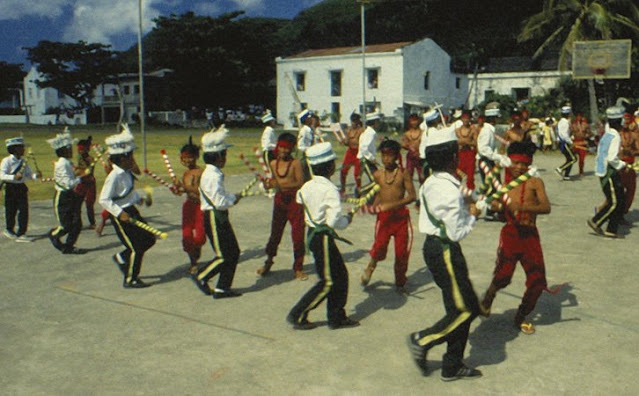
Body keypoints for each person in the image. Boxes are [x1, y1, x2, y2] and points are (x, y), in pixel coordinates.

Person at [406, 126, 483, 381]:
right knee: (465, 309)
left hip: (438, 248)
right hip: (444, 249)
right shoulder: (446, 189)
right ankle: (422, 339)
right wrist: (474, 214)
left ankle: (452, 365)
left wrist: (470, 202)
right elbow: (457, 231)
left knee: (459, 305)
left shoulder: (433, 181)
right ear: (453, 157)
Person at [481, 141, 551, 335]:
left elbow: (546, 207)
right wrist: (495, 207)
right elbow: (497, 208)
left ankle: (521, 315)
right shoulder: (503, 186)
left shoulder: (535, 182)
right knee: (503, 275)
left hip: (530, 236)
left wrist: (523, 208)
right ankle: (490, 294)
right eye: (516, 163)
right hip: (511, 234)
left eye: (524, 164)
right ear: (509, 163)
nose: (519, 167)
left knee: (538, 280)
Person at [287, 142, 358, 330]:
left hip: (313, 234)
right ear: (330, 167)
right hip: (323, 237)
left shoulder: (307, 186)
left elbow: (299, 199)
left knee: (340, 275)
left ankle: (336, 317)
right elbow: (335, 222)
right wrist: (348, 219)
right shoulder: (330, 190)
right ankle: (298, 314)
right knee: (329, 281)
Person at [99, 124, 156, 288]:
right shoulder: (114, 176)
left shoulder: (126, 173)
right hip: (121, 215)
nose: (133, 160)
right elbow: (104, 199)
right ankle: (130, 278)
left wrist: (141, 200)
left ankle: (122, 258)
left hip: (132, 210)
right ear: (122, 158)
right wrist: (119, 213)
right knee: (136, 247)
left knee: (148, 239)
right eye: (130, 156)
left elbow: (127, 193)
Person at [193, 125, 243, 299]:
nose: (226, 158)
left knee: (233, 252)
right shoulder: (213, 175)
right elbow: (219, 202)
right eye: (225, 154)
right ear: (218, 156)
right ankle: (201, 275)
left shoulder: (213, 173)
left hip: (218, 215)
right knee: (223, 255)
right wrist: (233, 199)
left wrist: (230, 197)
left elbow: (218, 196)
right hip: (214, 216)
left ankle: (223, 287)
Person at [360, 139, 416, 293]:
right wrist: (373, 207)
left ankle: (400, 282)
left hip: (401, 219)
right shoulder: (378, 174)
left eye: (389, 156)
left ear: (397, 156)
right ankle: (370, 267)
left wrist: (392, 205)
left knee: (401, 252)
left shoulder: (403, 174)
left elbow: (412, 196)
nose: (386, 159)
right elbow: (378, 195)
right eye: (383, 155)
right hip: (384, 218)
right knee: (379, 246)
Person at [258, 132, 306, 280]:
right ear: (278, 147)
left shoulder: (296, 163)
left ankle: (298, 267)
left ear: (292, 149)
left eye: (288, 148)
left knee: (298, 236)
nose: (284, 151)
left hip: (294, 202)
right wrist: (267, 186)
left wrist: (280, 184)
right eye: (282, 148)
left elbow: (300, 183)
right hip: (279, 202)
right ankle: (268, 261)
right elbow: (271, 182)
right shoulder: (273, 164)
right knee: (275, 234)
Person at [587, 106, 627, 238]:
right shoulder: (614, 136)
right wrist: (623, 165)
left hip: (603, 169)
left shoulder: (607, 133)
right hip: (609, 171)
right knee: (614, 202)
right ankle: (596, 221)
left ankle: (612, 229)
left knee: (619, 199)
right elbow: (612, 158)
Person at [47, 129, 86, 254]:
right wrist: (81, 177)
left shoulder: (67, 163)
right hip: (63, 197)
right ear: (63, 150)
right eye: (69, 148)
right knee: (66, 225)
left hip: (70, 195)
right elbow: (68, 184)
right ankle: (53, 235)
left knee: (77, 223)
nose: (72, 150)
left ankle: (69, 246)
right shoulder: (62, 164)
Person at [1, 137, 41, 241]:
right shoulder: (7, 161)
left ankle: (22, 232)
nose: (23, 149)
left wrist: (36, 176)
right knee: (11, 210)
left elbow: (28, 174)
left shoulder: (23, 161)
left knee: (23, 210)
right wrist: (13, 177)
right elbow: (1, 175)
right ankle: (9, 229)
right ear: (14, 149)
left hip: (21, 187)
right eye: (21, 147)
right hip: (10, 187)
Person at [176, 136, 205, 275]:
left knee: (199, 237)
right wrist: (177, 189)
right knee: (187, 236)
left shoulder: (202, 172)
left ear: (196, 157)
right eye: (184, 158)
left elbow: (201, 192)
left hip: (200, 207)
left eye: (190, 157)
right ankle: (193, 262)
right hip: (188, 206)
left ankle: (196, 254)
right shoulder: (186, 173)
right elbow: (183, 191)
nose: (187, 161)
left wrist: (184, 188)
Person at [476, 107, 511, 220]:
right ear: (493, 119)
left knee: (494, 186)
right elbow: (483, 149)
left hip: (488, 160)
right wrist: (497, 157)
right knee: (492, 187)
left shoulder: (489, 130)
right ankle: (489, 211)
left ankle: (492, 210)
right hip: (485, 160)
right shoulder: (487, 131)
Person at [74, 136, 97, 228]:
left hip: (89, 183)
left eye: (80, 149)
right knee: (77, 203)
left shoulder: (90, 159)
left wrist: (78, 170)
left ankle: (92, 223)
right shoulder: (79, 157)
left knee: (89, 203)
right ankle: (77, 222)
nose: (79, 151)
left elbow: (87, 171)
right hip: (81, 182)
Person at [357, 111, 381, 195]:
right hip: (365, 160)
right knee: (375, 180)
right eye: (378, 121)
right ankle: (361, 192)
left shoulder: (367, 132)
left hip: (366, 159)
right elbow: (364, 148)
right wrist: (371, 158)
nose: (379, 123)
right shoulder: (370, 133)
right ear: (374, 122)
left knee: (376, 178)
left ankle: (372, 195)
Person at [619, 114, 638, 220]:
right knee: (618, 191)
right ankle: (601, 210)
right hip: (619, 165)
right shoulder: (617, 134)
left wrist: (632, 151)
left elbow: (638, 148)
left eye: (628, 120)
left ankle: (622, 212)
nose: (626, 122)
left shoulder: (634, 135)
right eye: (624, 120)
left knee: (631, 190)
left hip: (630, 164)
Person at [339, 112, 364, 195]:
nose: (353, 123)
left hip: (358, 152)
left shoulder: (361, 130)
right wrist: (344, 142)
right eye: (352, 121)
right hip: (350, 152)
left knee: (357, 173)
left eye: (355, 121)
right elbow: (347, 141)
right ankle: (342, 189)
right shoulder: (349, 130)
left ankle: (358, 188)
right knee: (343, 170)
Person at [455, 112, 477, 190]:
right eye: (464, 118)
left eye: (467, 118)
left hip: (469, 155)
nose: (466, 120)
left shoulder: (473, 130)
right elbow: (454, 142)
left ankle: (471, 194)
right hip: (460, 154)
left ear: (470, 119)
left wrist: (466, 142)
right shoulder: (457, 130)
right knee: (458, 175)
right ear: (461, 119)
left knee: (470, 177)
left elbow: (475, 143)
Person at [401, 114, 424, 184]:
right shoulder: (407, 134)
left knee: (422, 176)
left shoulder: (423, 133)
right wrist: (409, 147)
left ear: (419, 121)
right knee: (408, 175)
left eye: (415, 120)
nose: (414, 122)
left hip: (420, 157)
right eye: (412, 121)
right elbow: (403, 144)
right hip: (410, 157)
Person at [555, 105, 577, 180]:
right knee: (573, 158)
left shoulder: (562, 122)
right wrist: (570, 142)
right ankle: (560, 169)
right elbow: (564, 135)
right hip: (564, 143)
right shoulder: (564, 122)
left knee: (569, 159)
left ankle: (566, 175)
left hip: (563, 142)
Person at [297, 109, 315, 181]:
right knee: (305, 175)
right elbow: (300, 145)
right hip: (305, 155)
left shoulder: (309, 129)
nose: (311, 119)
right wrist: (308, 149)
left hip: (310, 154)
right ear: (306, 120)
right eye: (309, 118)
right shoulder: (304, 130)